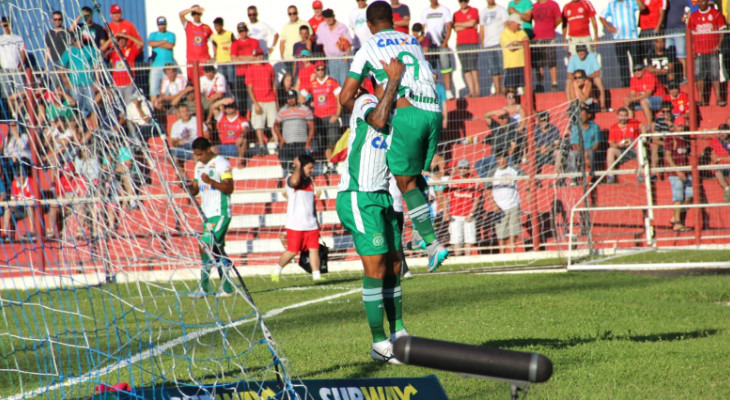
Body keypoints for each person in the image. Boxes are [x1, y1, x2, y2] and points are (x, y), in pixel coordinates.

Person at [340, 1, 449, 272]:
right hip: (434, 112)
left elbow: (344, 98)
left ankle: (432, 243)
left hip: (406, 113)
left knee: (403, 183)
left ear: (368, 25)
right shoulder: (412, 40)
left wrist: (363, 103)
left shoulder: (367, 48)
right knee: (413, 178)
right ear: (394, 19)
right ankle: (424, 231)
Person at [335, 57, 407, 363]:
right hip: (358, 196)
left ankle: (399, 334)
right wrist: (391, 81)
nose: (395, 83)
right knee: (376, 268)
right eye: (388, 79)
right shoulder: (365, 100)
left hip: (381, 197)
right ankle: (379, 344)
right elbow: (376, 120)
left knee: (394, 265)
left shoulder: (396, 114)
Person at [187, 137, 235, 297]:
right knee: (216, 250)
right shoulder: (199, 166)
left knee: (205, 246)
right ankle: (227, 289)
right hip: (207, 215)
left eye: (200, 154)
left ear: (209, 149)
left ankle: (204, 288)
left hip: (220, 212)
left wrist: (212, 181)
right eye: (196, 155)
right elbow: (195, 190)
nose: (198, 158)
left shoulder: (222, 163)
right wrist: (185, 186)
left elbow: (229, 188)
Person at [272, 154, 324, 282]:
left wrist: (316, 221)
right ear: (301, 167)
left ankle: (316, 275)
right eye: (309, 168)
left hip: (311, 224)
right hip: (295, 224)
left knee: (314, 249)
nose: (312, 171)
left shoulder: (310, 182)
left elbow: (312, 204)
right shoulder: (292, 179)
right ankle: (277, 270)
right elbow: (295, 182)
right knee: (292, 251)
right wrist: (298, 166)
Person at [300, 62, 342, 174]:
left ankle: (331, 161)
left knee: (333, 140)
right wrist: (309, 103)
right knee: (323, 142)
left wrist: (337, 114)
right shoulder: (312, 83)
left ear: (325, 69)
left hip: (331, 116)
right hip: (318, 117)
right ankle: (330, 164)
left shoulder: (332, 82)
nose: (320, 71)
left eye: (322, 69)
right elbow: (300, 98)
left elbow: (340, 99)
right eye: (318, 69)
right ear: (315, 71)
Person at [688, 0, 726, 106]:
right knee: (699, 75)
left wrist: (718, 46)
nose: (701, 3)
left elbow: (722, 30)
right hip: (699, 51)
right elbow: (690, 34)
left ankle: (718, 97)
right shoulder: (693, 16)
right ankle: (700, 99)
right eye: (699, 2)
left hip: (712, 50)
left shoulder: (716, 14)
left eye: (703, 1)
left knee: (715, 74)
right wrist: (692, 50)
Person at [600, 0, 641, 87]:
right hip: (619, 38)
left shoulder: (631, 2)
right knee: (623, 62)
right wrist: (608, 27)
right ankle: (626, 84)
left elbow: (642, 8)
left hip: (632, 37)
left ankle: (639, 81)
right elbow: (601, 16)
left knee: (636, 60)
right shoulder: (611, 5)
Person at [444, 159, 479, 256]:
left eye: (465, 168)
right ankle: (458, 260)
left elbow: (477, 199)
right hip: (455, 214)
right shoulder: (451, 180)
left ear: (468, 169)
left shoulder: (473, 180)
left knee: (469, 239)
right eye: (461, 168)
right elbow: (445, 198)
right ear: (458, 169)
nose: (463, 170)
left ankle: (467, 260)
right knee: (456, 240)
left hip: (468, 214)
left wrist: (471, 213)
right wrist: (445, 212)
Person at [60, 35, 99, 121]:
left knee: (91, 107)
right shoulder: (69, 51)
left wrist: (97, 81)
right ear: (73, 41)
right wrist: (66, 80)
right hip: (75, 84)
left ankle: (94, 129)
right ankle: (81, 128)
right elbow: (61, 67)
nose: (79, 42)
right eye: (77, 40)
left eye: (81, 40)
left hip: (89, 83)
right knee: (77, 108)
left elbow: (97, 66)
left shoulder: (90, 49)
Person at [420, 0, 454, 99]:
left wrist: (445, 42)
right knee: (432, 69)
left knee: (445, 67)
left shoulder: (444, 10)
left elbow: (449, 26)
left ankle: (448, 91)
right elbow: (422, 28)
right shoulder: (425, 11)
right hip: (430, 45)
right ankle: (432, 90)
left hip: (441, 44)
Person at [490, 151, 522, 253]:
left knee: (513, 233)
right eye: (499, 158)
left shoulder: (513, 169)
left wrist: (528, 191)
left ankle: (512, 255)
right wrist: (494, 204)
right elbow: (486, 190)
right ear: (496, 160)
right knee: (501, 235)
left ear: (507, 159)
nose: (501, 161)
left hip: (513, 204)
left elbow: (527, 177)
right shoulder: (492, 172)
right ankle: (502, 256)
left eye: (504, 158)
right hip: (499, 207)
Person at [274, 90, 314, 172]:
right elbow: (275, 125)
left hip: (301, 143)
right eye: (289, 98)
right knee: (286, 166)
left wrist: (308, 142)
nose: (290, 100)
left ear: (296, 98)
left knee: (301, 166)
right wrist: (281, 138)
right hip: (287, 144)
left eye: (292, 98)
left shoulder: (305, 109)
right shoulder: (282, 110)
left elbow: (312, 126)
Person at [246, 54, 279, 154]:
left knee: (273, 123)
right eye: (257, 56)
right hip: (258, 100)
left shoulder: (268, 66)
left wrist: (276, 100)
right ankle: (261, 146)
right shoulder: (250, 69)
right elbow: (249, 88)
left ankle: (277, 143)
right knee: (258, 124)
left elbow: (273, 84)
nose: (259, 58)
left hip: (270, 99)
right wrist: (255, 104)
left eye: (260, 55)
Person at [230, 22, 263, 114]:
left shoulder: (254, 41)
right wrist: (249, 57)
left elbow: (256, 57)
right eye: (240, 31)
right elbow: (233, 59)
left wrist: (240, 58)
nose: (242, 33)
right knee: (241, 98)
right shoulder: (235, 43)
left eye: (244, 31)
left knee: (253, 97)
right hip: (240, 74)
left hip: (252, 73)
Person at [606, 107, 645, 183]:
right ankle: (611, 175)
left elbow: (642, 125)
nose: (623, 118)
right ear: (617, 116)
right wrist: (618, 145)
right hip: (622, 151)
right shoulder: (613, 128)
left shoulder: (633, 122)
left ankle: (640, 174)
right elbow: (611, 143)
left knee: (640, 147)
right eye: (621, 116)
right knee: (610, 150)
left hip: (634, 149)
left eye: (625, 116)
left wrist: (643, 138)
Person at [665, 125, 692, 230]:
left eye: (682, 127)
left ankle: (674, 218)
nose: (681, 129)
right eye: (679, 126)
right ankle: (677, 223)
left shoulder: (684, 139)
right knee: (678, 198)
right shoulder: (671, 138)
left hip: (685, 172)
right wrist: (677, 170)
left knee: (690, 197)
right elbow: (668, 156)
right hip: (675, 174)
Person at [169, 103, 208, 177]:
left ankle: (200, 176)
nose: (186, 114)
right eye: (183, 112)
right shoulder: (176, 125)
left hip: (194, 147)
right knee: (169, 154)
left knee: (197, 153)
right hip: (182, 148)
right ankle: (183, 175)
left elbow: (207, 134)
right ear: (179, 114)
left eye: (187, 111)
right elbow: (173, 142)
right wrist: (178, 142)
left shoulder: (196, 121)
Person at [316, 9, 352, 86]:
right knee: (333, 83)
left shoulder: (342, 27)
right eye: (326, 17)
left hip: (342, 59)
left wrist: (346, 58)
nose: (328, 19)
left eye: (330, 17)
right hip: (330, 60)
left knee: (344, 82)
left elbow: (348, 44)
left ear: (333, 16)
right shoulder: (322, 27)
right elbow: (319, 42)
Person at [531, 0, 562, 92]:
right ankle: (540, 84)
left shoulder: (553, 4)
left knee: (551, 61)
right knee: (539, 63)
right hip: (536, 38)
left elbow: (559, 18)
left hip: (549, 37)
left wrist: (551, 27)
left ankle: (554, 84)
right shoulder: (534, 6)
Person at [479, 0, 509, 95]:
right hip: (489, 44)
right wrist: (483, 42)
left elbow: (506, 26)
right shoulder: (483, 12)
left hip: (499, 43)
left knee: (501, 67)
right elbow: (482, 28)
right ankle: (497, 90)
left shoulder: (501, 10)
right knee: (493, 68)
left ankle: (503, 88)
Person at [453, 0, 481, 98]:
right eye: (461, 1)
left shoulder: (474, 10)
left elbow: (472, 23)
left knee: (473, 67)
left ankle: (477, 91)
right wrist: (467, 24)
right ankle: (471, 91)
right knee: (466, 69)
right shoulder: (456, 14)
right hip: (461, 43)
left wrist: (461, 25)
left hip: (472, 42)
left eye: (465, 1)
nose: (463, 3)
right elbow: (456, 28)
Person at [566, 45, 607, 111]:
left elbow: (598, 72)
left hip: (589, 77)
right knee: (568, 81)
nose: (581, 53)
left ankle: (602, 105)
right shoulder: (573, 58)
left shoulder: (591, 56)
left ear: (586, 51)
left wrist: (585, 78)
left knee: (598, 80)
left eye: (582, 51)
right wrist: (578, 78)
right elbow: (569, 74)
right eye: (579, 51)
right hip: (578, 78)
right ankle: (570, 105)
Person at [0, 17, 27, 117]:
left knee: (21, 93)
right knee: (7, 95)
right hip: (5, 70)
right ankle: (12, 114)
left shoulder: (18, 38)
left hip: (16, 69)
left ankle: (19, 112)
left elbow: (23, 52)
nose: (6, 28)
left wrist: (21, 64)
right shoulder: (1, 39)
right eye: (4, 26)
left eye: (7, 25)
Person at [105, 33, 142, 104]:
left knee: (129, 105)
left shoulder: (131, 50)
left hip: (129, 84)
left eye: (123, 39)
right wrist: (111, 39)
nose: (121, 41)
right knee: (118, 106)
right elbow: (101, 49)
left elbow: (141, 44)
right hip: (117, 84)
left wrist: (128, 35)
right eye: (119, 40)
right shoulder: (113, 51)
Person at [213, 98, 250, 168]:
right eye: (227, 107)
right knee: (213, 149)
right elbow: (213, 107)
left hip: (236, 147)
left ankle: (240, 161)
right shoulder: (221, 117)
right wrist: (222, 101)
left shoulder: (242, 119)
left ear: (235, 108)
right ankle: (216, 166)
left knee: (244, 140)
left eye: (231, 106)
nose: (228, 109)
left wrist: (241, 136)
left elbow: (246, 129)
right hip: (224, 147)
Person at [179, 5, 213, 79]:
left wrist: (214, 57)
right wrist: (192, 9)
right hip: (192, 60)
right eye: (194, 13)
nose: (196, 16)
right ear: (192, 14)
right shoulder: (188, 25)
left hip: (204, 60)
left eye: (198, 13)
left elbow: (214, 42)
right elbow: (181, 14)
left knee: (204, 82)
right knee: (193, 82)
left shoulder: (206, 27)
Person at [148, 17, 176, 105]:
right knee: (154, 89)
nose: (162, 27)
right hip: (156, 66)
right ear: (157, 25)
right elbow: (150, 43)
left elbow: (170, 46)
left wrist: (157, 44)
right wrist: (163, 42)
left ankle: (167, 109)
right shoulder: (153, 35)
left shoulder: (171, 34)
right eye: (160, 25)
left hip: (168, 67)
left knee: (167, 89)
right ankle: (155, 107)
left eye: (163, 24)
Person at [5, 163, 35, 243]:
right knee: (7, 207)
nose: (21, 177)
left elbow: (32, 200)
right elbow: (12, 200)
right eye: (18, 176)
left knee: (29, 206)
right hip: (18, 208)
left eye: (22, 175)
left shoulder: (30, 181)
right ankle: (6, 233)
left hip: (28, 208)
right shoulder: (14, 183)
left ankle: (32, 232)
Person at [567, 106, 601, 178]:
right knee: (572, 154)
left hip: (592, 151)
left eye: (583, 115)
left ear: (589, 115)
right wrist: (584, 155)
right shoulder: (575, 128)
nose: (581, 117)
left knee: (591, 153)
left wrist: (587, 153)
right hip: (580, 152)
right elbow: (577, 146)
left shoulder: (595, 127)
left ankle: (593, 177)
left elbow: (597, 144)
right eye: (579, 116)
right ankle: (573, 178)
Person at [500, 13, 529, 91]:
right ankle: (512, 102)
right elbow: (511, 47)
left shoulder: (521, 31)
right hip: (511, 65)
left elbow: (526, 41)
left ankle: (526, 102)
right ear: (512, 23)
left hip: (522, 64)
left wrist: (516, 43)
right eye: (518, 24)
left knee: (525, 85)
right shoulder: (504, 33)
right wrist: (521, 43)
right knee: (510, 88)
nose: (519, 26)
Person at [45, 10, 72, 89]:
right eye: (55, 19)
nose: (57, 21)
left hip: (65, 64)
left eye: (59, 19)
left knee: (67, 87)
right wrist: (46, 64)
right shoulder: (49, 33)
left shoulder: (66, 32)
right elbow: (48, 49)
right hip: (54, 64)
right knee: (56, 88)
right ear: (52, 20)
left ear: (62, 20)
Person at [280, 5, 311, 70]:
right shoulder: (285, 27)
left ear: (297, 13)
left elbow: (310, 37)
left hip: (301, 59)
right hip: (288, 59)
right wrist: (282, 56)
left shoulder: (304, 23)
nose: (292, 15)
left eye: (294, 13)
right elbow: (282, 42)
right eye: (290, 14)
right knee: (291, 78)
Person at [664, 0, 688, 82]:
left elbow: (692, 6)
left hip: (679, 30)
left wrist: (687, 16)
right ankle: (671, 78)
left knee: (681, 55)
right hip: (667, 32)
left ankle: (685, 77)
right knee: (669, 56)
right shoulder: (665, 2)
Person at [212, 17, 237, 90]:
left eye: (217, 26)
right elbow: (215, 47)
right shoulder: (215, 37)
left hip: (229, 61)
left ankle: (233, 96)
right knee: (222, 81)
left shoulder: (229, 34)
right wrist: (214, 57)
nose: (216, 28)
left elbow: (235, 45)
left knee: (231, 81)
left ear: (221, 25)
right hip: (220, 62)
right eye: (215, 26)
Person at [710, 125, 730, 202]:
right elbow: (713, 157)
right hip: (720, 166)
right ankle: (727, 189)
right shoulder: (715, 141)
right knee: (717, 172)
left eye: (724, 132)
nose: (722, 134)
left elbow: (718, 158)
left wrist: (720, 158)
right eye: (720, 132)